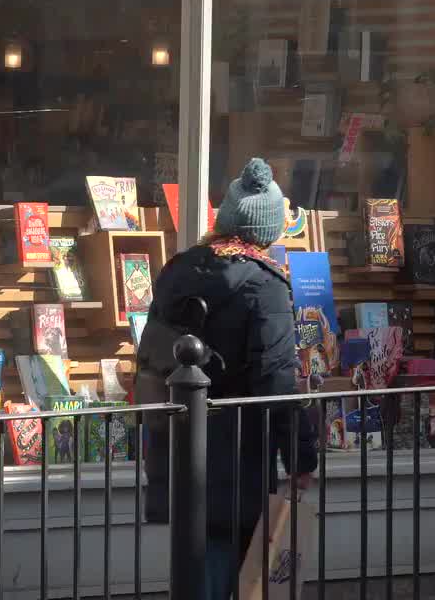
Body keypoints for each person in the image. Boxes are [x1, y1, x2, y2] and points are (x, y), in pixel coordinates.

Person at [137, 157, 318, 600]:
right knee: (235, 567)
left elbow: (151, 353)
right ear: (269, 229)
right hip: (237, 452)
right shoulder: (265, 284)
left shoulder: (180, 268)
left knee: (197, 560)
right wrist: (301, 456)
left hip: (178, 442)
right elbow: (278, 379)